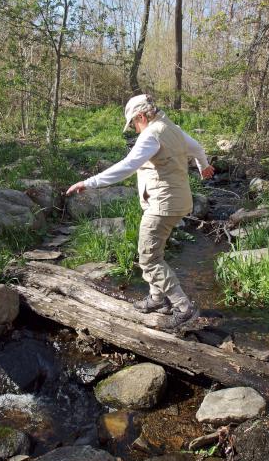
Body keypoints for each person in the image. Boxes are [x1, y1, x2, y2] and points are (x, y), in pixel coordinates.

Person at [66, 94, 214, 330]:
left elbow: (127, 166)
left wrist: (89, 182)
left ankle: (183, 308)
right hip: (177, 201)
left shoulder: (151, 135)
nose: (134, 129)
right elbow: (197, 147)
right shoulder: (171, 128)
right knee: (155, 251)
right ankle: (157, 299)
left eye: (134, 123)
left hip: (163, 205)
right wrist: (203, 166)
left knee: (149, 258)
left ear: (142, 116)